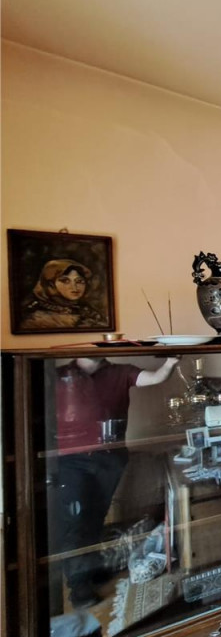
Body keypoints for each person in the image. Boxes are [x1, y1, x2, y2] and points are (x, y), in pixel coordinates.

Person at [54, 356, 179, 608]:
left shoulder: (120, 372)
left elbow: (155, 378)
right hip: (70, 461)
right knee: (76, 521)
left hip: (109, 458)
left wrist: (170, 362)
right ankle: (79, 588)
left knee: (95, 516)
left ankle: (90, 569)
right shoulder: (58, 375)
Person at [21, 259, 105, 330]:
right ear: (50, 284)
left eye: (79, 281)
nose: (74, 287)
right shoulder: (36, 318)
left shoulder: (87, 311)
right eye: (65, 281)